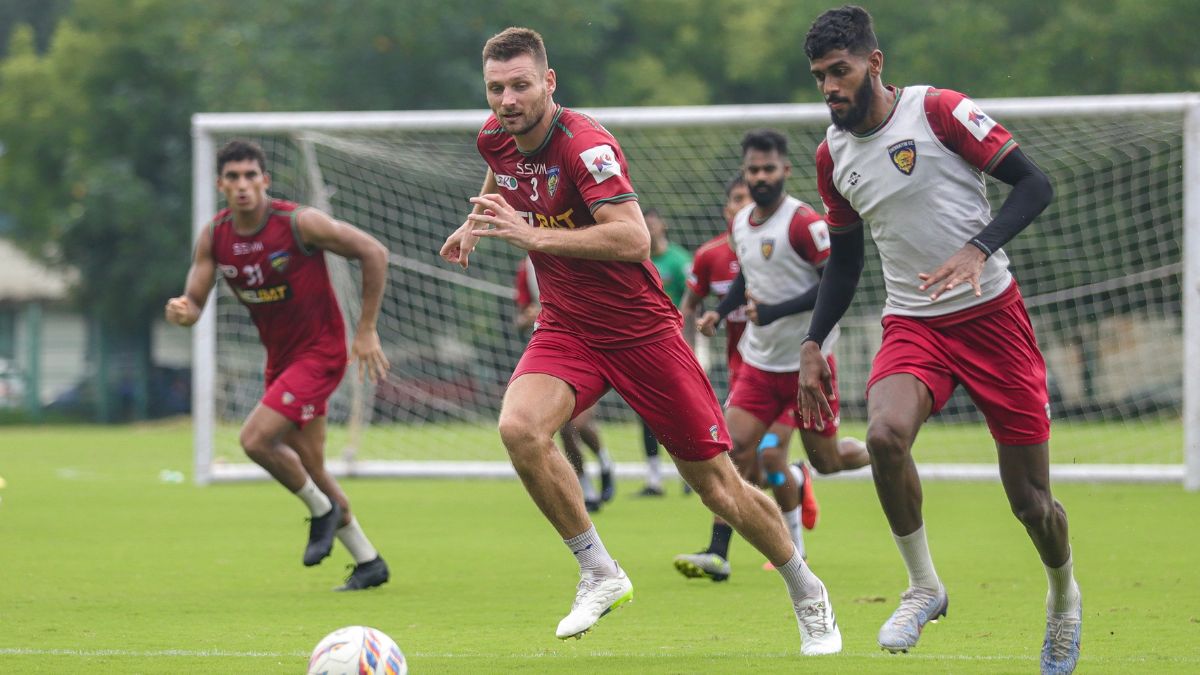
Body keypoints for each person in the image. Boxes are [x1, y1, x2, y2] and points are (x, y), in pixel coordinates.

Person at [439, 27, 841, 654]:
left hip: (641, 333)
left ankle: (806, 588)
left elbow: (632, 239)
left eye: (521, 85)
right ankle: (599, 571)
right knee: (519, 430)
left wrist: (531, 237)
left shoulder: (588, 147)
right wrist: (473, 225)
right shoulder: (495, 137)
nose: (507, 99)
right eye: (496, 88)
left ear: (549, 82)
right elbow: (499, 172)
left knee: (719, 487)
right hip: (567, 327)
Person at [799, 7, 1080, 672]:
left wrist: (979, 249)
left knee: (1031, 504)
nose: (830, 87)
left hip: (993, 319)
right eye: (818, 77)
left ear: (875, 63)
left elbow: (1034, 185)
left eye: (840, 71)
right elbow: (843, 261)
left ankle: (1064, 601)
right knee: (883, 437)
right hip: (914, 323)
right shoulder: (830, 155)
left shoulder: (940, 111)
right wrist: (814, 342)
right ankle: (924, 585)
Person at [165, 140, 391, 592]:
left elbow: (374, 252)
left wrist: (365, 330)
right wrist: (184, 311)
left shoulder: (298, 222)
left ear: (265, 180)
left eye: (251, 175)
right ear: (220, 185)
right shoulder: (216, 235)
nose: (243, 185)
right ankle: (369, 562)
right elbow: (194, 300)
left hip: (321, 354)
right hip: (282, 362)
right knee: (312, 464)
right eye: (233, 178)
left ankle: (321, 511)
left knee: (253, 439)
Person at [675, 132, 869, 583]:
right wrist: (720, 315)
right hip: (759, 366)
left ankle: (882, 450)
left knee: (826, 461)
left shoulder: (804, 224)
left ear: (784, 170)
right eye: (753, 170)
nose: (761, 177)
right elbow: (746, 277)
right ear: (746, 173)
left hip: (810, 366)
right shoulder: (742, 223)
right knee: (731, 449)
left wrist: (778, 311)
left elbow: (836, 283)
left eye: (768, 169)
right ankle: (728, 552)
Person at [514, 255, 616, 510]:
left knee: (580, 423)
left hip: (594, 349)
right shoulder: (526, 268)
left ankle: (604, 462)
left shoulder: (579, 254)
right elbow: (522, 317)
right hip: (556, 353)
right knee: (565, 427)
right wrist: (527, 319)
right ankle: (587, 490)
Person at [638, 208, 693, 496]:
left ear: (663, 226)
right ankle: (654, 478)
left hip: (680, 344)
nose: (649, 228)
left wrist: (691, 346)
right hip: (643, 347)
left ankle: (693, 472)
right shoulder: (635, 258)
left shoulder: (680, 260)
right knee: (645, 411)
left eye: (653, 223)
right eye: (644, 223)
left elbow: (694, 305)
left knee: (684, 409)